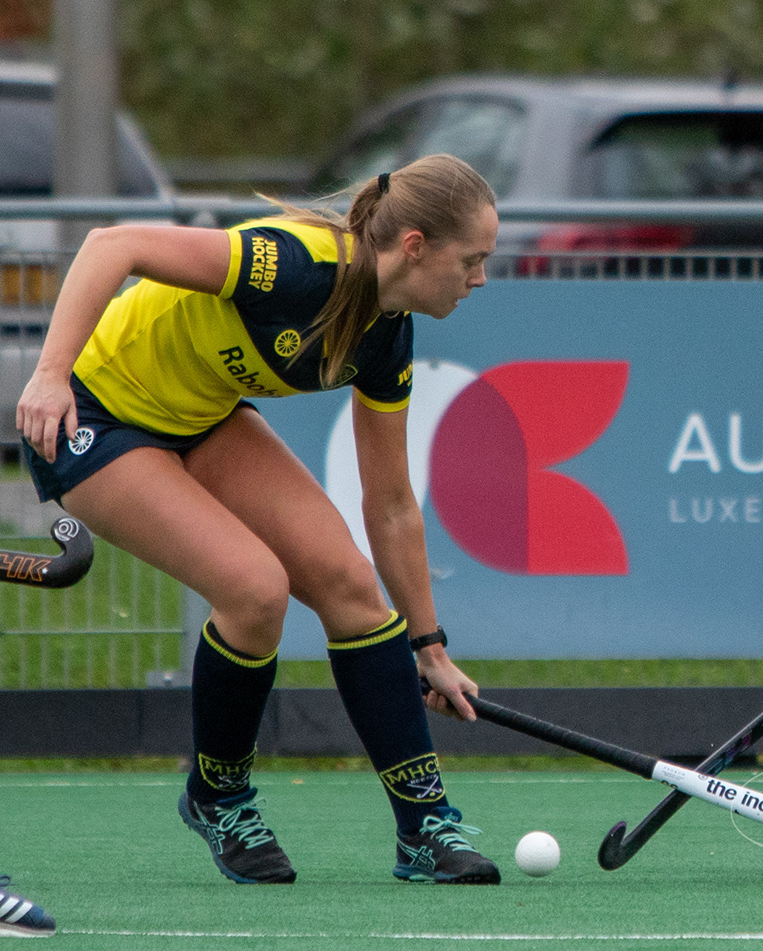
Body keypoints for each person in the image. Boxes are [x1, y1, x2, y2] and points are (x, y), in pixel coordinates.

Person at [15, 154, 502, 885]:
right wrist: (51, 374)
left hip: (200, 415)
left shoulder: (386, 334)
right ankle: (218, 796)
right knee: (254, 589)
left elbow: (392, 503)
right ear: (415, 247)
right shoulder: (293, 264)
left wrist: (428, 646)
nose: (481, 278)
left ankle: (425, 826)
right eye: (472, 260)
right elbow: (113, 244)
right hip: (92, 415)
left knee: (351, 587)